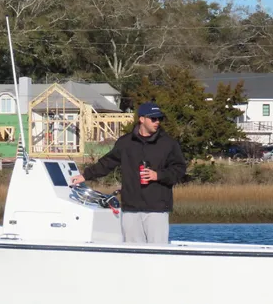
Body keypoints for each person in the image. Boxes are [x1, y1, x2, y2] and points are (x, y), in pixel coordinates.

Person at [70, 102, 186, 243]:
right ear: (142, 119)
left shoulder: (168, 143)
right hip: (130, 208)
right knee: (133, 254)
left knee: (157, 254)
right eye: (153, 119)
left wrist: (158, 175)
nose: (157, 122)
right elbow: (107, 163)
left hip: (157, 209)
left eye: (160, 119)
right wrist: (84, 176)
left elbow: (179, 169)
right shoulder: (125, 142)